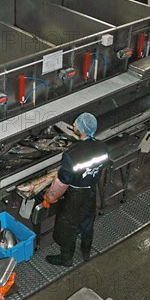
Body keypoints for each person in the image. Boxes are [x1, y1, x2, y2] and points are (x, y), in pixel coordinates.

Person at [43, 113, 109, 266]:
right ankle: (86, 252)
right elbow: (102, 166)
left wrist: (50, 197)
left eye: (76, 123)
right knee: (87, 222)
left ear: (81, 130)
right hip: (91, 191)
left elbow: (62, 182)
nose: (73, 124)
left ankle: (66, 259)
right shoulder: (102, 147)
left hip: (74, 195)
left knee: (67, 226)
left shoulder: (72, 155)